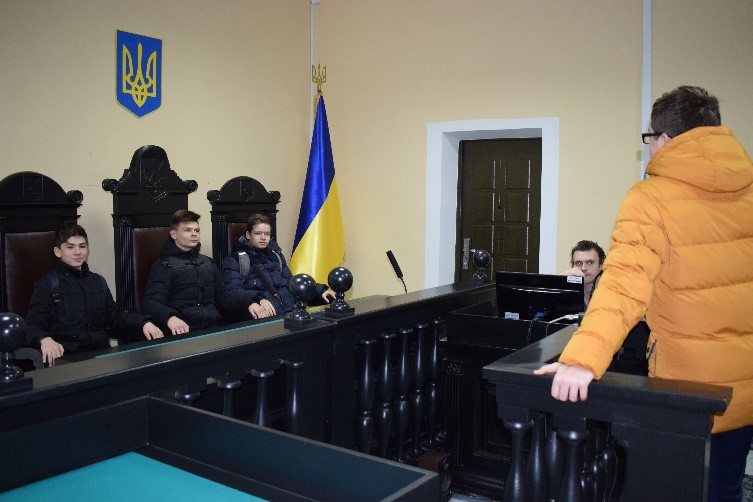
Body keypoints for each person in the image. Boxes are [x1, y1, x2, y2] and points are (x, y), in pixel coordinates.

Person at [535, 86, 753, 501]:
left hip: (684, 395)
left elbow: (623, 285)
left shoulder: (650, 198)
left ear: (664, 139)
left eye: (649, 137)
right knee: (725, 489)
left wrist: (581, 359)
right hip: (744, 390)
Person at [26, 224, 164, 367]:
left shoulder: (98, 281)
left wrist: (143, 323)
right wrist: (44, 339)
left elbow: (115, 317)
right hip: (67, 359)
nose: (77, 252)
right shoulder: (47, 284)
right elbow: (33, 325)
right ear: (58, 251)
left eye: (82, 246)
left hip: (101, 355)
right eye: (70, 247)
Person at [141, 210, 272, 335]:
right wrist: (170, 317)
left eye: (196, 230)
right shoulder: (163, 266)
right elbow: (151, 303)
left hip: (212, 328)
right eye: (187, 230)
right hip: (183, 331)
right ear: (174, 234)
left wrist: (251, 301)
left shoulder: (208, 263)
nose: (194, 234)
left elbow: (224, 299)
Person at [222, 213, 334, 317]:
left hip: (289, 313)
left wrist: (320, 291)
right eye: (258, 233)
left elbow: (291, 283)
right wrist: (253, 301)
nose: (263, 237)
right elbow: (233, 291)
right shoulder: (235, 260)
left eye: (267, 234)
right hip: (261, 318)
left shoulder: (276, 256)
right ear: (248, 235)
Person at [559, 240, 605, 308]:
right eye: (579, 263)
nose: (583, 268)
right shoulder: (567, 294)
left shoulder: (612, 293)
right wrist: (560, 279)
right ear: (573, 266)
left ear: (601, 265)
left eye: (590, 262)